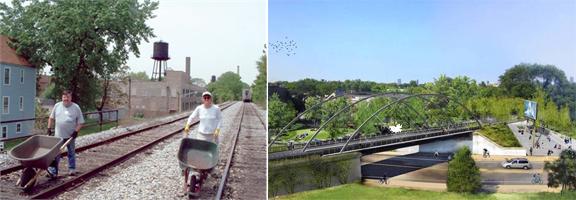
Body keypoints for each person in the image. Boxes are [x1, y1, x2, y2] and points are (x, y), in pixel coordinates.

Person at [182, 91, 222, 194]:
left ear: (211, 99)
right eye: (205, 98)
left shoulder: (216, 109)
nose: (207, 99)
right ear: (202, 99)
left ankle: (210, 169)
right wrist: (187, 125)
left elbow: (220, 120)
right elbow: (191, 117)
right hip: (202, 134)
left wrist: (217, 130)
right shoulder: (199, 108)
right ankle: (200, 169)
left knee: (211, 155)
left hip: (212, 135)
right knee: (200, 154)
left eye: (208, 98)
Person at [47, 90, 84, 178]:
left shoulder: (76, 107)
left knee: (71, 153)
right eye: (64, 97)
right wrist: (49, 128)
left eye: (67, 97)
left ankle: (72, 169)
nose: (65, 99)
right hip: (58, 136)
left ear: (71, 98)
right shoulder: (57, 106)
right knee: (56, 154)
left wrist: (76, 131)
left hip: (70, 136)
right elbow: (51, 118)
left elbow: (81, 122)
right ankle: (53, 172)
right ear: (62, 97)